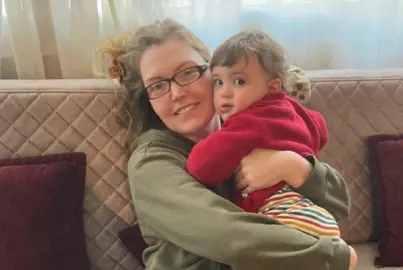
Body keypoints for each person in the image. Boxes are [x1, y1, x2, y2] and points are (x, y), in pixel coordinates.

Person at [94, 19, 357, 270]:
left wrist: (292, 166)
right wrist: (332, 259)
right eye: (157, 85)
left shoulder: (254, 125)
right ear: (148, 98)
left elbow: (339, 205)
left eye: (187, 73)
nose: (176, 93)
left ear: (212, 72)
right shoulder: (151, 163)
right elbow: (227, 234)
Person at [186, 29, 343, 239]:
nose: (225, 92)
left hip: (283, 214)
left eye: (239, 81)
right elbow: (320, 130)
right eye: (218, 82)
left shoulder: (247, 122)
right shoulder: (295, 110)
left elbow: (201, 167)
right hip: (314, 211)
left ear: (272, 88)